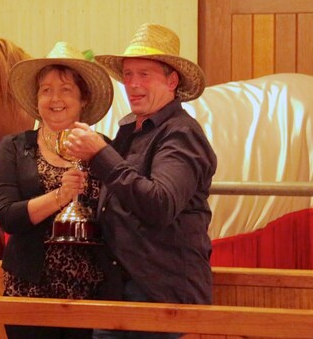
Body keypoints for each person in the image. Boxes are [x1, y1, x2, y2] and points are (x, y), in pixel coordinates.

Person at [65, 23, 217, 339]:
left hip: (160, 298)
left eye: (144, 74)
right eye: (129, 75)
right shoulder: (130, 131)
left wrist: (100, 154)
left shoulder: (181, 134)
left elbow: (159, 204)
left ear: (172, 80)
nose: (133, 84)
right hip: (119, 292)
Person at [0, 41, 115, 339]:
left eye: (65, 90)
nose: (54, 98)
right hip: (29, 293)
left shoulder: (103, 148)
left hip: (92, 295)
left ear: (83, 99)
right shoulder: (14, 147)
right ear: (36, 99)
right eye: (46, 90)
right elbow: (8, 217)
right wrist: (60, 196)